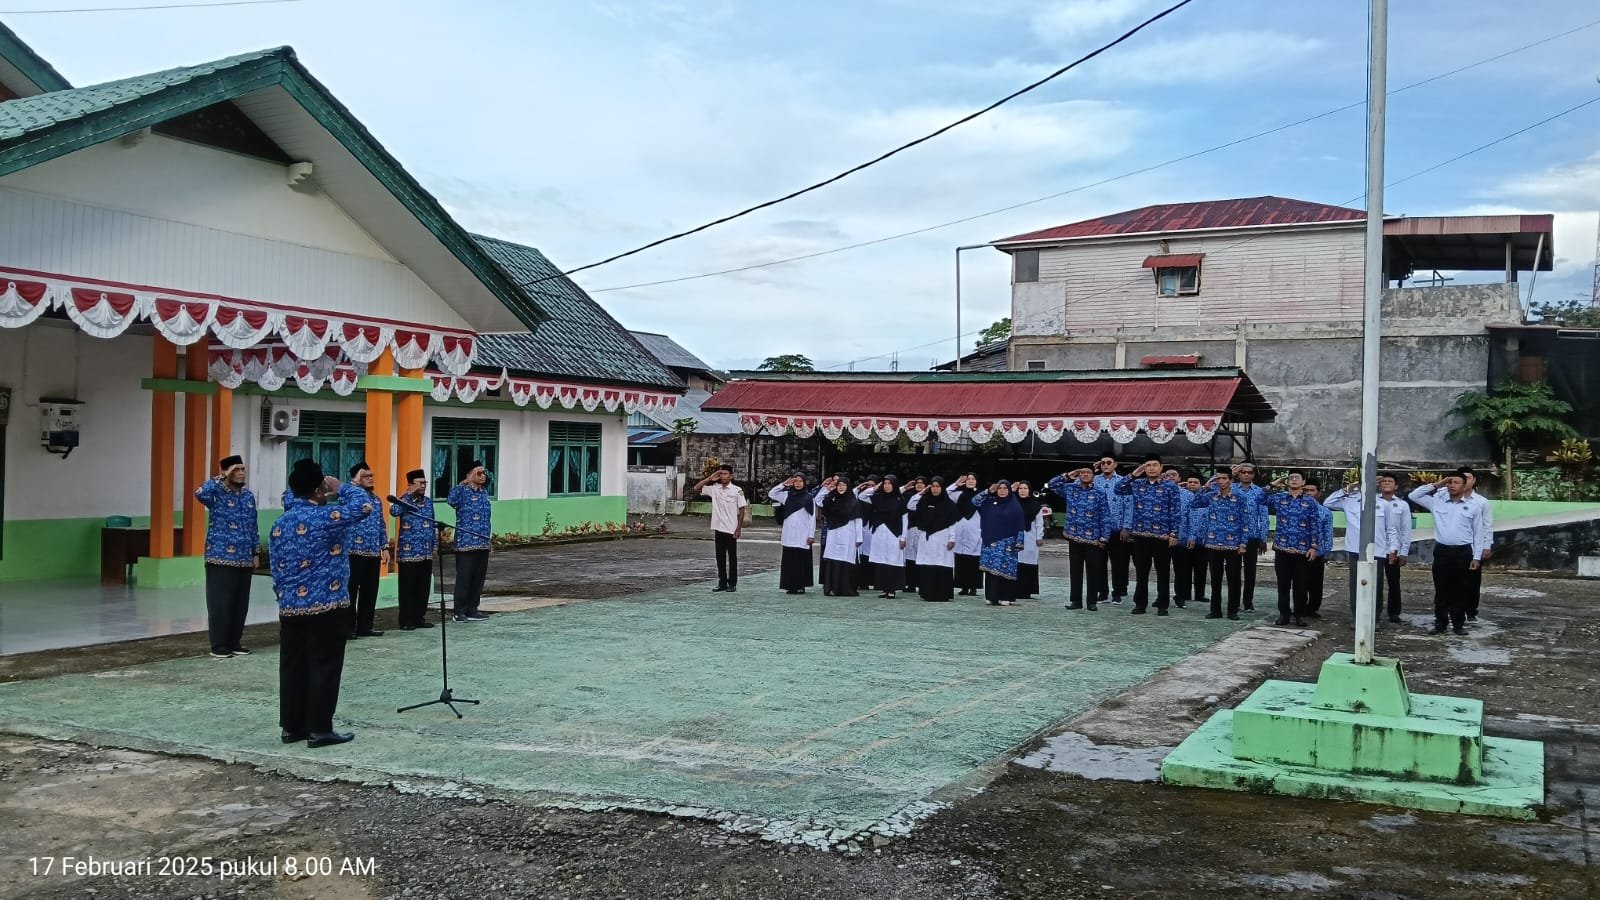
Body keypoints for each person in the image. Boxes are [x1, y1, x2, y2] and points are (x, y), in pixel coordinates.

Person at [269, 458, 375, 748]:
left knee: (293, 666)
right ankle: (319, 729)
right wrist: (341, 488)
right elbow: (365, 507)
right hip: (327, 606)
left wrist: (284, 597)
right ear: (319, 490)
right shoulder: (328, 517)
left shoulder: (280, 523)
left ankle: (292, 727)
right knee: (324, 666)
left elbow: (275, 566)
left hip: (290, 607)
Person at [1409, 471, 1491, 635]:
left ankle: (1458, 624)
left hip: (1463, 552)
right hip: (1442, 551)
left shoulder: (1473, 507)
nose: (1452, 485)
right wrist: (1437, 484)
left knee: (1460, 589)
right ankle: (1440, 623)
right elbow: (1414, 495)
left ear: (1464, 486)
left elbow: (1478, 533)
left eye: (1456, 482)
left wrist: (1476, 557)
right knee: (1441, 589)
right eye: (1450, 482)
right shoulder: (1437, 503)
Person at [194, 454, 260, 659]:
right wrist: (221, 478)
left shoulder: (248, 496)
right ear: (226, 472)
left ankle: (234, 643)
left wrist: (255, 553)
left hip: (244, 558)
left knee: (240, 605)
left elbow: (253, 526)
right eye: (236, 470)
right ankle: (219, 646)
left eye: (242, 469)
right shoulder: (216, 494)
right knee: (220, 604)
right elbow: (199, 493)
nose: (241, 473)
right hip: (220, 557)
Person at [1322, 476, 1402, 626]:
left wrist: (1393, 549)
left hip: (1377, 550)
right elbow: (1328, 502)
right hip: (1355, 549)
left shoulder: (1383, 503)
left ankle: (1374, 619)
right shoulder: (1349, 500)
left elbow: (1391, 529)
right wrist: (1350, 487)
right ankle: (1357, 618)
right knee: (1356, 585)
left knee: (1375, 585)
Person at [1114, 456, 1182, 616]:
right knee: (1141, 572)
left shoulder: (1170, 486)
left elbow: (1175, 511)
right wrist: (1134, 474)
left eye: (1154, 465)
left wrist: (1174, 534)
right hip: (1140, 535)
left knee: (1163, 572)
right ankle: (1140, 604)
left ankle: (1162, 605)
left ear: (1161, 467)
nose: (1151, 468)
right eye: (1148, 465)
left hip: (1162, 536)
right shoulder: (1137, 484)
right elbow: (1118, 489)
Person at [1189, 469, 1255, 619]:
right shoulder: (1210, 496)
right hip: (1213, 543)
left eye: (1224, 478)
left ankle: (1233, 610)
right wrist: (1205, 487)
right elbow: (1194, 504)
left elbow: (1246, 521)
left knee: (1234, 579)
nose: (1221, 481)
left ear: (1230, 480)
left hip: (1233, 544)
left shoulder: (1240, 497)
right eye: (1218, 479)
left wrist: (1243, 543)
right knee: (1215, 579)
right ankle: (1215, 610)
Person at [1263, 470, 1325, 627]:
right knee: (1283, 585)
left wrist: (1314, 546)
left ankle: (1299, 614)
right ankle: (1284, 614)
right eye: (1291, 478)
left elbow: (1315, 525)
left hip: (1302, 550)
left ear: (1303, 482)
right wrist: (1271, 485)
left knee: (1301, 585)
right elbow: (1260, 499)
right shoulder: (1279, 498)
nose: (1294, 480)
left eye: (1298, 478)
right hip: (1282, 549)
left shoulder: (1310, 502)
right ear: (1287, 482)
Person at [1046, 467, 1112, 610]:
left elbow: (1105, 516)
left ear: (1093, 476)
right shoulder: (1071, 489)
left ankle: (1092, 602)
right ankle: (1076, 601)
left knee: (1093, 571)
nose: (1085, 475)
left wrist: (1104, 537)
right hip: (1074, 536)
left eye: (1088, 473)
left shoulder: (1099, 492)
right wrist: (1068, 475)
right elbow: (1052, 485)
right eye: (1082, 473)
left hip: (1093, 539)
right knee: (1075, 571)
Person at [345, 462, 390, 638]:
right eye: (366, 476)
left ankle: (365, 626)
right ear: (356, 478)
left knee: (370, 591)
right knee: (351, 590)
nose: (371, 479)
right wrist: (354, 485)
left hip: (372, 551)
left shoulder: (376, 500)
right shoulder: (349, 496)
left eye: (372, 476)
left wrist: (384, 547)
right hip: (353, 551)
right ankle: (348, 628)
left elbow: (381, 524)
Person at [390, 469, 437, 631]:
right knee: (407, 588)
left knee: (423, 588)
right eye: (420, 483)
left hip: (425, 552)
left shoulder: (428, 502)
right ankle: (406, 620)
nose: (423, 486)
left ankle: (419, 617)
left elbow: (432, 523)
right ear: (411, 485)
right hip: (408, 552)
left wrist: (434, 546)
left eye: (425, 483)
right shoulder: (404, 500)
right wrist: (408, 495)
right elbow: (393, 512)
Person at [447, 461, 494, 620]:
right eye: (478, 473)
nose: (483, 476)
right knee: (464, 578)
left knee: (478, 578)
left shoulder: (484, 493)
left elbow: (486, 519)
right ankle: (459, 611)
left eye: (484, 473)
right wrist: (464, 482)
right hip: (466, 543)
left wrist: (488, 540)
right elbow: (451, 500)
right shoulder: (462, 491)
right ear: (469, 475)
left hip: (482, 542)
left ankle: (473, 609)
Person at [691, 465, 749, 593]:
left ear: (731, 476)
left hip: (731, 528)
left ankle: (732, 583)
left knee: (732, 558)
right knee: (720, 558)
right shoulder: (715, 489)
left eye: (725, 473)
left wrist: (738, 528)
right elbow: (696, 488)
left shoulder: (737, 490)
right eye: (721, 474)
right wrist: (709, 478)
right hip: (718, 527)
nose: (723, 476)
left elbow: (742, 509)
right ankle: (722, 582)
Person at [973, 481, 1026, 606]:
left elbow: (1020, 525)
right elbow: (975, 501)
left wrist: (1019, 542)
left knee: (1006, 570)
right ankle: (992, 597)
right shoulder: (990, 503)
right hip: (991, 543)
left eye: (1005, 488)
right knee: (991, 570)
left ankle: (1006, 596)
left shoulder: (1015, 506)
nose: (1002, 491)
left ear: (1009, 490)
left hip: (1008, 544)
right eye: (1000, 488)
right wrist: (988, 491)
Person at [769, 472, 817, 595]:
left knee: (800, 561)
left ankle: (800, 585)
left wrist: (811, 535)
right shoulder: (787, 495)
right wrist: (783, 485)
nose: (798, 484)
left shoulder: (809, 498)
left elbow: (812, 518)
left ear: (804, 483)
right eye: (796, 481)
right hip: (789, 533)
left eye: (800, 481)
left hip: (802, 534)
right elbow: (772, 494)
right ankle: (789, 585)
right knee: (789, 560)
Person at [914, 478, 960, 602]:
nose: (935, 489)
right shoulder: (924, 501)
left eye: (938, 486)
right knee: (928, 564)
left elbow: (953, 523)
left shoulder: (949, 504)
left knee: (942, 564)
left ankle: (942, 594)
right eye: (933, 486)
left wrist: (952, 539)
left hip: (943, 537)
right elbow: (910, 505)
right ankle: (927, 593)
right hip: (927, 538)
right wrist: (921, 493)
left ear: (942, 488)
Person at [1094, 456, 1132, 604]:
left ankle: (1117, 592)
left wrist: (1126, 527)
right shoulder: (1094, 480)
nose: (1105, 465)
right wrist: (1092, 469)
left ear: (1115, 464)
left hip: (1117, 530)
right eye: (1102, 463)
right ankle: (1102, 592)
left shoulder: (1123, 482)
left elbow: (1129, 505)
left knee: (1118, 564)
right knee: (1099, 563)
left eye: (1109, 462)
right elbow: (1080, 484)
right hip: (1098, 530)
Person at [863, 476, 910, 598]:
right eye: (885, 483)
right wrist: (874, 488)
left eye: (889, 483)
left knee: (892, 561)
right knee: (881, 561)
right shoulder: (877, 498)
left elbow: (905, 519)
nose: (887, 486)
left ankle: (892, 589)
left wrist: (903, 537)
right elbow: (862, 496)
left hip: (894, 534)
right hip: (879, 533)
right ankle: (883, 588)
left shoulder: (900, 500)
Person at [1231, 463, 1268, 612]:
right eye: (1243, 472)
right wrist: (1231, 474)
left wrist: (1263, 538)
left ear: (1253, 474)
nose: (1246, 474)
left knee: (1250, 571)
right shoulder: (1231, 489)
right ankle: (1233, 602)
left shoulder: (1259, 492)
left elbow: (1263, 517)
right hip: (1233, 536)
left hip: (1252, 536)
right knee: (1233, 571)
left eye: (1249, 472)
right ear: (1238, 474)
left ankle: (1248, 602)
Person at [1376, 473, 1413, 623]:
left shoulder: (1402, 505)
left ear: (1396, 486)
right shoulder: (1373, 502)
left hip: (1394, 549)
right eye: (1384, 481)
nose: (1386, 483)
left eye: (1390, 481)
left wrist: (1403, 552)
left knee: (1394, 582)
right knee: (1375, 582)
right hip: (1376, 548)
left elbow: (1406, 529)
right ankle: (1374, 611)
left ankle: (1394, 612)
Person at [818, 477, 863, 596]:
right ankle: (832, 588)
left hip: (848, 534)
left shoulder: (854, 502)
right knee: (833, 560)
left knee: (845, 560)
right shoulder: (832, 500)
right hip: (833, 533)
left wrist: (859, 538)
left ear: (848, 486)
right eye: (839, 485)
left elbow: (858, 520)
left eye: (843, 485)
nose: (841, 487)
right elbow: (818, 501)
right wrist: (827, 490)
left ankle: (845, 589)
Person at [1460, 467, 1494, 622]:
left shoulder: (1482, 502)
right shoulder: (1449, 499)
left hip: (1475, 547)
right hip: (1457, 546)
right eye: (1462, 478)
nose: (1465, 481)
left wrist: (1487, 545)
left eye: (1468, 478)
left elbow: (1487, 525)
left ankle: (1471, 611)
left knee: (1473, 581)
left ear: (1474, 480)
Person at [1302, 480, 1335, 618]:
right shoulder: (1297, 509)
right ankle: (1300, 607)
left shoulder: (1325, 512)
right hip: (1299, 551)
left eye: (1312, 490)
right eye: (1306, 490)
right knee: (1300, 581)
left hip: (1318, 552)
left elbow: (1328, 533)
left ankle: (1313, 608)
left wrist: (1326, 551)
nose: (1309, 493)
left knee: (1315, 582)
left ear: (1319, 493)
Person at [1180, 473, 1210, 612]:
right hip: (1185, 538)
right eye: (1190, 482)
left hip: (1202, 539)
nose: (1192, 484)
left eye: (1195, 482)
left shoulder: (1206, 497)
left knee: (1201, 568)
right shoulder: (1182, 496)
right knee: (1185, 567)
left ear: (1201, 485)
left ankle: (1200, 594)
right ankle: (1185, 593)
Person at [950, 473, 984, 596]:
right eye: (968, 479)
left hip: (975, 529)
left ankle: (973, 587)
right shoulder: (958, 494)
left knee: (974, 559)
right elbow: (945, 494)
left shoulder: (981, 495)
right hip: (960, 528)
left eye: (973, 479)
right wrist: (956, 484)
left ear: (977, 481)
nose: (970, 481)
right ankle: (963, 586)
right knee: (961, 558)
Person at [1168, 469, 1198, 609]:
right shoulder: (1157, 492)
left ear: (1179, 478)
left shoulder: (1188, 495)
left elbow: (1193, 517)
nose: (1170, 477)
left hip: (1181, 537)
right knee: (1162, 569)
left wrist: (1192, 536)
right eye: (1167, 475)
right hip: (1161, 537)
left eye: (1173, 475)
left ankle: (1180, 597)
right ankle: (1161, 596)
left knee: (1181, 570)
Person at [1014, 480, 1049, 599]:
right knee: (1017, 562)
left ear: (1029, 491)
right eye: (1020, 488)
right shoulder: (1014, 504)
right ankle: (1016, 590)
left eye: (1025, 488)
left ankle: (1027, 590)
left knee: (1029, 562)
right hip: (1015, 536)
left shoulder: (1035, 506)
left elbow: (1039, 523)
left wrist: (1039, 537)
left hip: (1031, 537)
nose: (1022, 491)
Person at [902, 476, 927, 591]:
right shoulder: (909, 496)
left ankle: (922, 584)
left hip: (922, 530)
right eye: (917, 483)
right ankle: (911, 584)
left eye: (922, 483)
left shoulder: (928, 497)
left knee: (921, 556)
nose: (919, 485)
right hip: (910, 529)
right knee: (910, 557)